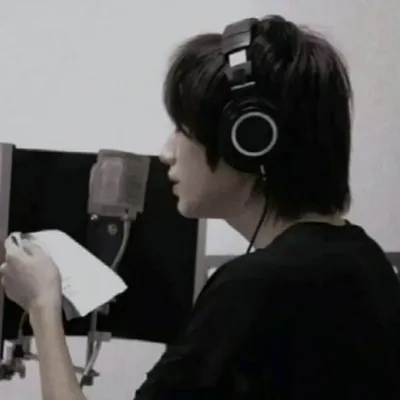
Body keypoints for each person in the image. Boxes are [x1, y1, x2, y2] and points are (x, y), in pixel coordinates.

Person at [1, 14, 400, 400]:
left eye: (182, 130)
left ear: (249, 141)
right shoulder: (367, 263)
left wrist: (42, 305)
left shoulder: (253, 290)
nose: (167, 153)